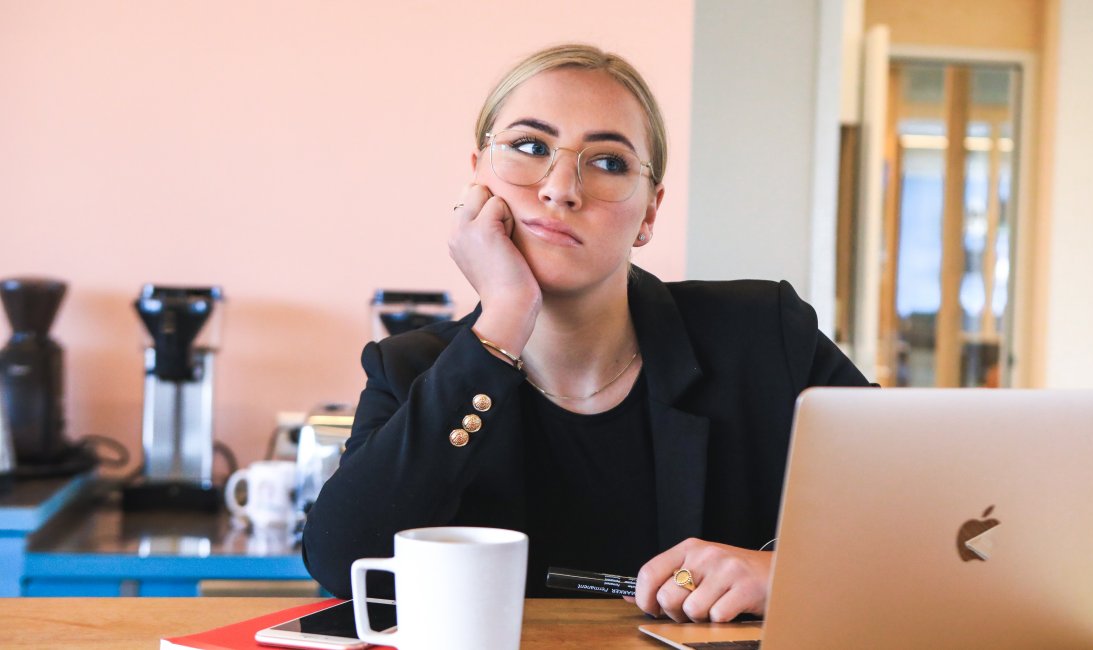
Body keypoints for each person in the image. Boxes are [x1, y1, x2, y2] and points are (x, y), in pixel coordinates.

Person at [302, 43, 871, 624]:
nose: (560, 188)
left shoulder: (763, 334)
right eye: (529, 148)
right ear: (476, 177)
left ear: (650, 212)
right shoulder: (409, 368)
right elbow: (344, 562)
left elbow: (936, 519)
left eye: (608, 162)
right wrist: (503, 318)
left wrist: (788, 575)